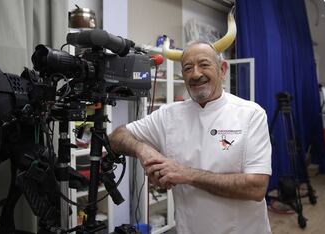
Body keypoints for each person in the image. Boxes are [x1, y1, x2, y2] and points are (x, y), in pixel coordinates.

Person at [108, 41, 272, 234]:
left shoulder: (251, 114)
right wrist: (143, 150)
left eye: (204, 64)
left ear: (222, 69)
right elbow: (116, 137)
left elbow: (256, 188)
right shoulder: (168, 115)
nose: (195, 74)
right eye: (188, 68)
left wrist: (186, 174)